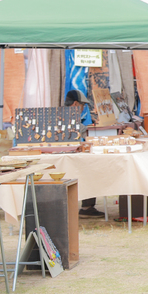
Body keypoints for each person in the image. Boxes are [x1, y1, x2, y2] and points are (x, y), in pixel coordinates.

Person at [66, 90, 103, 218]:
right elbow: (84, 131)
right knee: (92, 167)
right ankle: (87, 207)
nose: (83, 109)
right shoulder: (68, 118)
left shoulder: (62, 115)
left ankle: (87, 207)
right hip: (68, 158)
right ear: (76, 104)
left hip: (66, 157)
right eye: (83, 105)